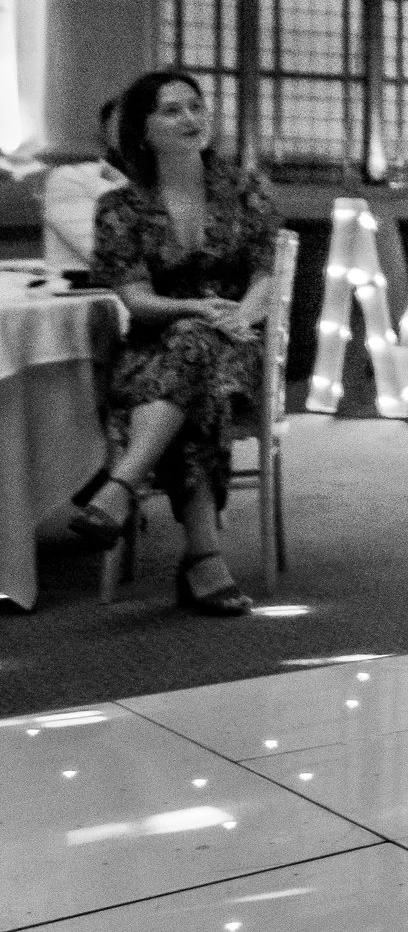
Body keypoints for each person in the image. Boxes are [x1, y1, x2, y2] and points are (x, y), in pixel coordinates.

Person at [65, 70, 282, 615]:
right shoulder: (120, 207)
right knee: (190, 352)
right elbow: (137, 301)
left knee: (197, 353)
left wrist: (240, 318)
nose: (190, 119)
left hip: (238, 346)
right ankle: (203, 561)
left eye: (196, 106)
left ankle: (120, 487)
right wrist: (192, 308)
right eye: (172, 111)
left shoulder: (244, 189)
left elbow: (265, 274)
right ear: (142, 130)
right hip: (152, 347)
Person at [41, 100, 126, 272]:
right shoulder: (72, 178)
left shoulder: (184, 181)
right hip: (90, 294)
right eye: (126, 122)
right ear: (105, 133)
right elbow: (111, 258)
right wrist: (124, 186)